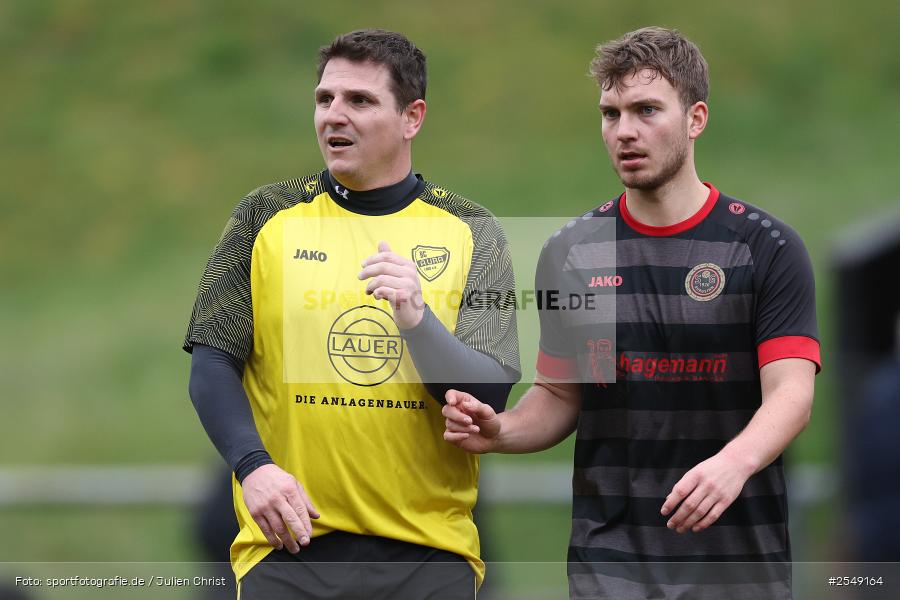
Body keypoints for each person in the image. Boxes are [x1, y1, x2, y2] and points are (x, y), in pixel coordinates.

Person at [443, 27, 820, 599]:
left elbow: (791, 395)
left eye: (647, 110)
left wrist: (733, 464)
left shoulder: (766, 247)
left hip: (738, 565)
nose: (625, 131)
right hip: (610, 565)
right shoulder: (571, 251)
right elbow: (560, 395)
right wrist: (502, 430)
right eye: (611, 113)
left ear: (696, 119)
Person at [184, 29, 520, 599]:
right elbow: (211, 365)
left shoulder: (474, 231)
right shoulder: (263, 216)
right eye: (325, 99)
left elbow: (488, 397)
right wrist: (254, 467)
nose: (334, 115)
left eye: (359, 101)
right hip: (288, 546)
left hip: (430, 554)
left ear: (412, 117)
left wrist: (418, 320)